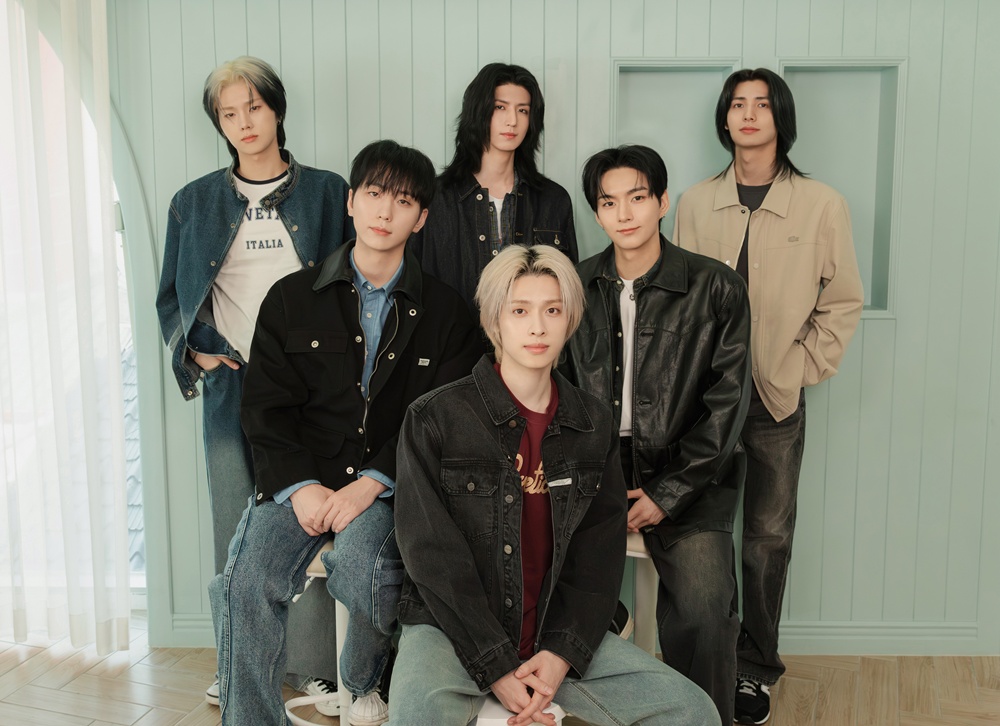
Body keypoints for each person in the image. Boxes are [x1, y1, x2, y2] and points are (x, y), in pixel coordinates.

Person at [208, 139, 482, 726]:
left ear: (421, 217)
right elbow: (265, 408)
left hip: (388, 486)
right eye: (376, 194)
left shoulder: (448, 313)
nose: (386, 211)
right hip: (300, 478)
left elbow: (440, 418)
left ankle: (362, 681)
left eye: (403, 201)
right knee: (243, 583)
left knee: (365, 568)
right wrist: (300, 486)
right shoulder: (291, 297)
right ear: (352, 201)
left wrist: (374, 482)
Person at [390, 245, 720, 726]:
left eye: (552, 310)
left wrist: (562, 653)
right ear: (494, 321)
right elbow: (431, 556)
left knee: (694, 711)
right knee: (415, 717)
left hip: (554, 632)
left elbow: (598, 556)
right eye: (520, 311)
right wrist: (495, 664)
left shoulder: (593, 424)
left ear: (570, 321)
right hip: (454, 632)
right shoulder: (434, 418)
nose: (538, 327)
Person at [154, 55, 352, 710]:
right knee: (237, 527)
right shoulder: (193, 203)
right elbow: (171, 298)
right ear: (219, 123)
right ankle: (238, 662)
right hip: (233, 387)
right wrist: (201, 353)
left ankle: (314, 664)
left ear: (277, 110)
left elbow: (353, 282)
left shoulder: (327, 193)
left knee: (312, 518)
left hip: (313, 389)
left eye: (254, 107)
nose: (244, 122)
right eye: (229, 113)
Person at [673, 68, 864, 725]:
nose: (748, 114)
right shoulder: (695, 203)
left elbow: (842, 301)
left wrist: (801, 366)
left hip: (775, 400)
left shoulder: (822, 204)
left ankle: (754, 670)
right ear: (724, 118)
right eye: (737, 104)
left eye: (761, 104)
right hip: (702, 402)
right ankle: (706, 664)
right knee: (700, 535)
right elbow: (679, 299)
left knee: (766, 539)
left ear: (781, 117)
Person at [564, 145, 752, 725]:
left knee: (704, 606)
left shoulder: (716, 287)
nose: (624, 214)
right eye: (608, 202)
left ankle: (703, 717)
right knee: (539, 582)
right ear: (597, 212)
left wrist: (668, 494)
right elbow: (554, 394)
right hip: (594, 466)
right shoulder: (573, 287)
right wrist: (591, 482)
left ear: (663, 202)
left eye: (638, 197)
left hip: (689, 471)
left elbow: (726, 407)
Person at [410, 62, 578, 320]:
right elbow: (412, 285)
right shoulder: (435, 198)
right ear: (478, 111)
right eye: (500, 107)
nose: (512, 121)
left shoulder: (553, 200)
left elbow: (570, 293)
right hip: (452, 342)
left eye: (523, 110)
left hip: (533, 341)